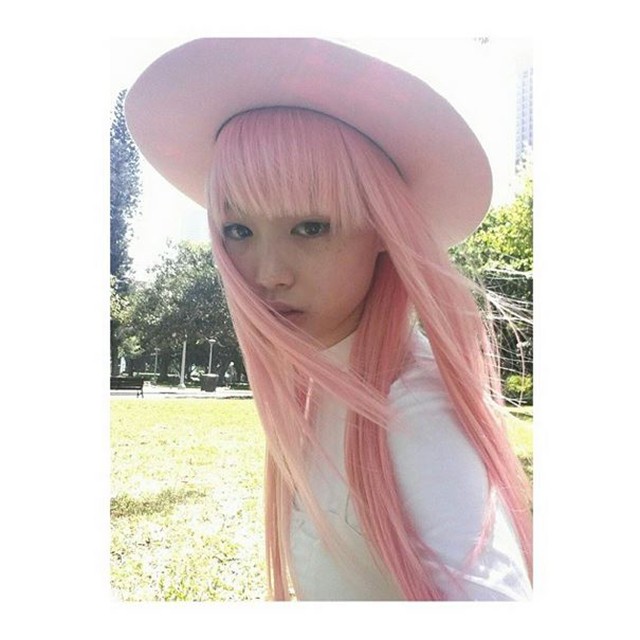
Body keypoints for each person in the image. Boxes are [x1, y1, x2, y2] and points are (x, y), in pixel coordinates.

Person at [125, 38, 533, 601]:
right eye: (239, 231)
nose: (268, 273)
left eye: (311, 227)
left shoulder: (411, 407)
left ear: (382, 228)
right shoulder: (320, 387)